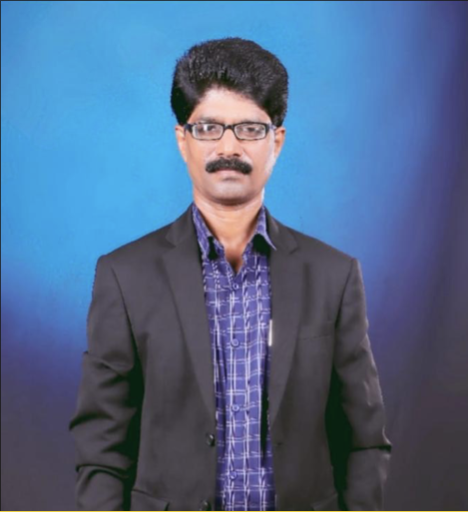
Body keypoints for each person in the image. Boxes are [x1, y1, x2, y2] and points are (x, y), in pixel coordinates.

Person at [69, 37, 392, 511]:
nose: (228, 147)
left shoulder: (333, 275)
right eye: (208, 128)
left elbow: (364, 440)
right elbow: (101, 446)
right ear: (183, 139)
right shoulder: (124, 275)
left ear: (276, 141)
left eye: (250, 129)